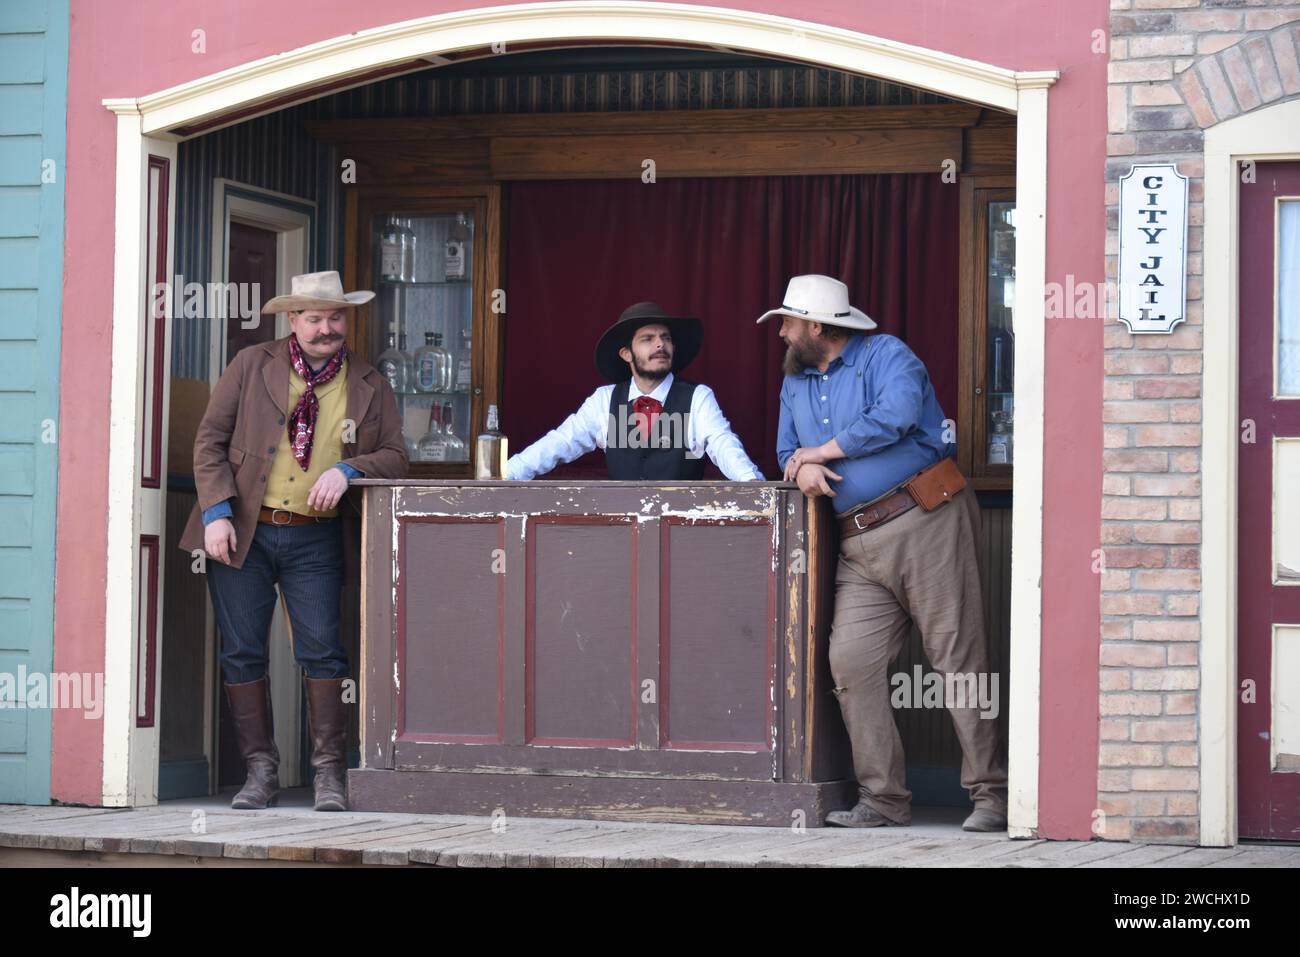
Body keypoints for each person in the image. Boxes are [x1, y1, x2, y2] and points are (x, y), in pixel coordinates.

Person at [760, 274, 1008, 831]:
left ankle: (991, 794)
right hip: (855, 540)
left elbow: (894, 416)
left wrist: (818, 451)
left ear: (816, 326)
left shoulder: (887, 355)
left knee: (958, 659)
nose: (780, 333)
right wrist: (800, 468)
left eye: (787, 322)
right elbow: (783, 450)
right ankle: (884, 799)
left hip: (926, 518)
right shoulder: (794, 383)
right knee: (849, 662)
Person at [177, 270, 407, 812]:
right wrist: (215, 513)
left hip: (316, 539)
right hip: (243, 533)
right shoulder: (251, 365)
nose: (326, 328)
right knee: (241, 651)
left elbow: (397, 454)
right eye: (314, 318)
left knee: (324, 653)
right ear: (292, 320)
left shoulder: (371, 381)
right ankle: (261, 774)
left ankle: (330, 775)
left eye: (334, 317)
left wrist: (350, 469)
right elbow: (209, 440)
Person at [506, 301, 763, 481]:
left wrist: (752, 483)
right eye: (647, 339)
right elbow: (559, 443)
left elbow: (722, 443)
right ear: (626, 353)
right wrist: (503, 475)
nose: (660, 344)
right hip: (623, 535)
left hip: (683, 532)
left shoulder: (697, 398)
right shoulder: (604, 401)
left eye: (666, 337)